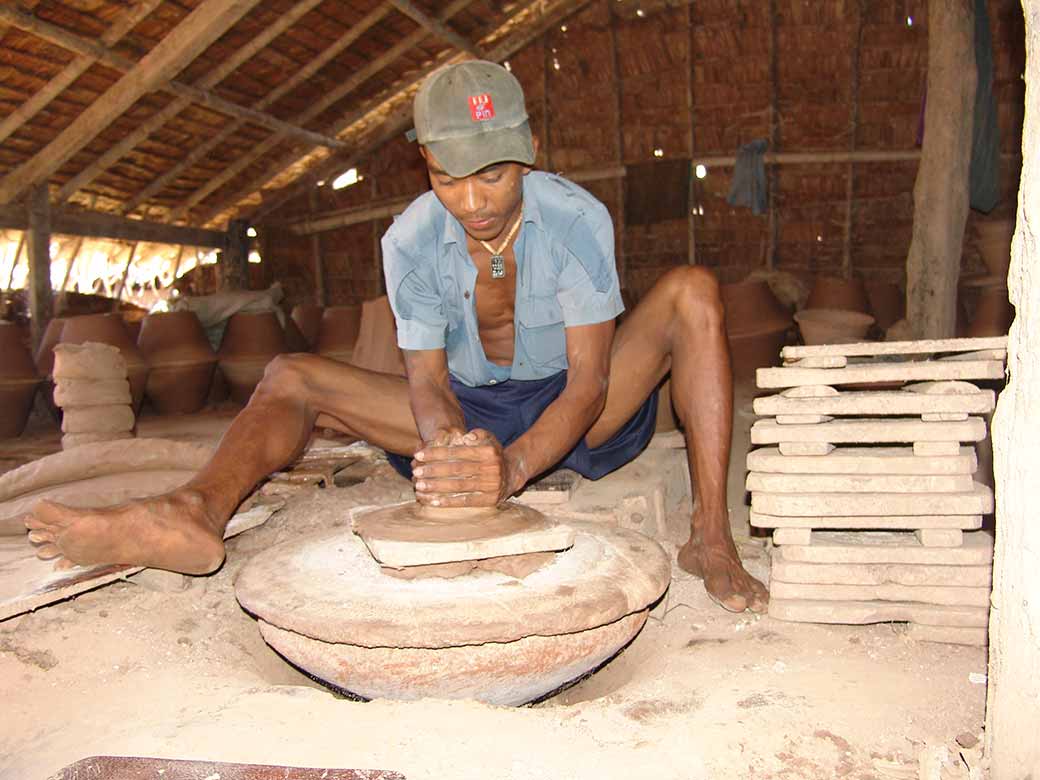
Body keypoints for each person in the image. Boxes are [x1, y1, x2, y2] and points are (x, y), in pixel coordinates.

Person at [26, 61, 767, 613]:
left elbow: (588, 383)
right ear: (424, 163)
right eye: (449, 179)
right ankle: (191, 510)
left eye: (495, 177)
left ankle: (710, 533)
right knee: (288, 373)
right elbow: (427, 382)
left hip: (582, 407)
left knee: (693, 291)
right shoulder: (408, 239)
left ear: (531, 150)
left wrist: (508, 474)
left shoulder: (577, 218)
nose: (473, 203)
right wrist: (451, 448)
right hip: (472, 405)